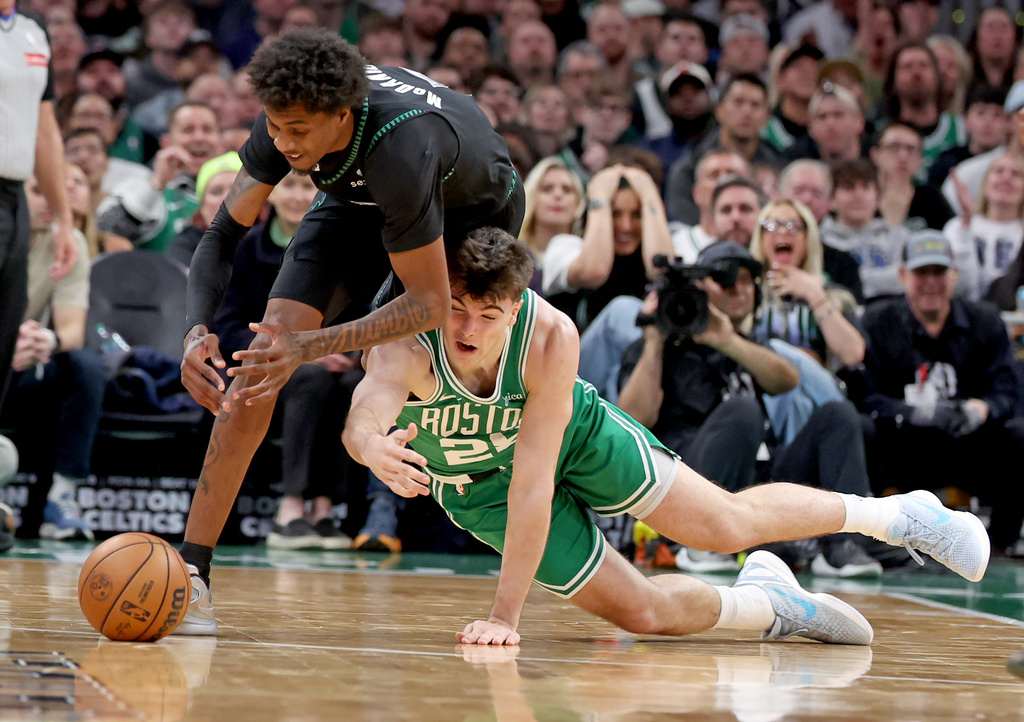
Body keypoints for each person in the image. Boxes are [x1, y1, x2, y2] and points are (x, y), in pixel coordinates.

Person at [341, 226, 988, 646]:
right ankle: (769, 607)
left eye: (488, 315)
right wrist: (373, 445)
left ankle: (898, 517)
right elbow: (365, 409)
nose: (468, 330)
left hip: (571, 437)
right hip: (477, 486)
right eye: (456, 307)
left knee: (723, 526)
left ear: (516, 309)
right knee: (642, 615)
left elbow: (534, 486)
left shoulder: (550, 337)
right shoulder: (408, 341)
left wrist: (504, 619)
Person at [174, 28, 523, 635]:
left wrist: (313, 346)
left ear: (342, 115)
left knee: (425, 364)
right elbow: (220, 237)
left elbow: (429, 303)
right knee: (263, 356)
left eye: (297, 132)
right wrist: (195, 331)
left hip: (470, 211)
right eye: (275, 128)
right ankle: (193, 570)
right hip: (359, 199)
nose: (282, 144)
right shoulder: (288, 119)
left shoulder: (399, 141)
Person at [616, 241, 880, 577]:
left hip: (753, 482)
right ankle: (702, 544)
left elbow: (787, 380)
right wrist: (654, 342)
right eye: (726, 280)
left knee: (837, 415)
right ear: (699, 288)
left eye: (747, 281)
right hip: (685, 483)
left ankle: (845, 546)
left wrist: (726, 341)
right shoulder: (656, 346)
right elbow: (634, 418)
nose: (739, 289)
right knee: (742, 410)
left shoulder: (746, 345)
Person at [855, 232, 1024, 556]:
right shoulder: (879, 321)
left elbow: (1007, 388)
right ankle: (865, 538)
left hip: (965, 443)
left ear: (954, 276)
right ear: (903, 276)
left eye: (939, 272)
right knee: (858, 427)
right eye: (921, 273)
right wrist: (909, 412)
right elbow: (864, 394)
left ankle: (999, 543)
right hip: (901, 443)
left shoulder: (985, 320)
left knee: (1018, 434)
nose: (930, 282)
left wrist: (981, 408)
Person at [2, 168, 103, 542]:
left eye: (53, 191)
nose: (48, 200)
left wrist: (45, 339)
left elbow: (73, 332)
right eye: (37, 190)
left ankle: (63, 495)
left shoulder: (68, 240)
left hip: (24, 363)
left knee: (87, 365)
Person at [0, 1, 78, 420]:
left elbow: (44, 128)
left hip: (15, 200)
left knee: (3, 345)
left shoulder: (32, 26)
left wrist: (63, 217)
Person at [749, 200, 865, 370]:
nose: (783, 231)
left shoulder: (834, 295)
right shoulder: (746, 293)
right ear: (761, 238)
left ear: (807, 239)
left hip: (816, 391)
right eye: (772, 226)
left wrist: (815, 295)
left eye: (794, 226)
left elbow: (853, 354)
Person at [820, 158, 911, 301]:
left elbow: (908, 279)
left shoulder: (899, 236)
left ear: (878, 198)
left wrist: (854, 279)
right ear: (831, 200)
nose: (859, 195)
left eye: (866, 187)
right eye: (849, 188)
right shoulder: (821, 241)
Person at [944, 152, 1024, 301]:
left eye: (1016, 174)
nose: (1006, 178)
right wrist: (966, 224)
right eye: (999, 171)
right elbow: (958, 287)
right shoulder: (956, 227)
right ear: (985, 183)